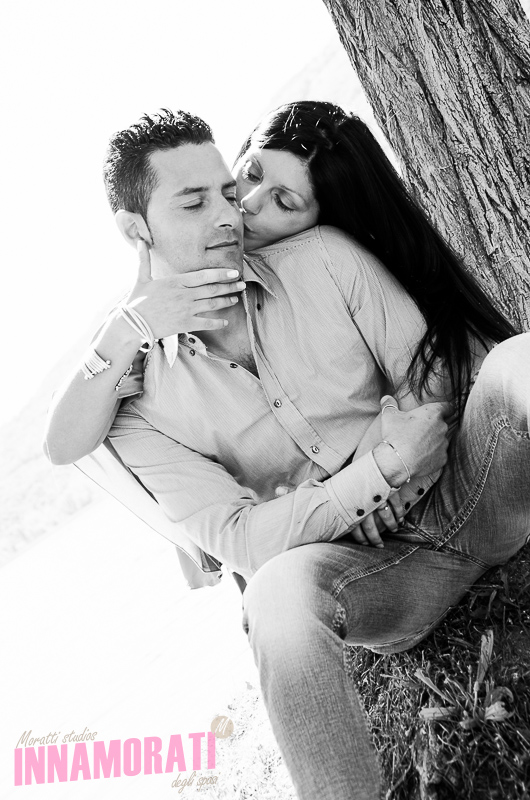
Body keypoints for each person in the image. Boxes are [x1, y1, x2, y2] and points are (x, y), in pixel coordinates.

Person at [44, 107, 529, 800]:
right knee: (273, 596)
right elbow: (240, 539)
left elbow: (430, 385)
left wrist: (393, 455)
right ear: (135, 229)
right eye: (194, 200)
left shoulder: (324, 258)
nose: (229, 214)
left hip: (471, 496)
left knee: (520, 365)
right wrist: (370, 478)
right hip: (374, 581)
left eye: (225, 189)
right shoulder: (138, 405)